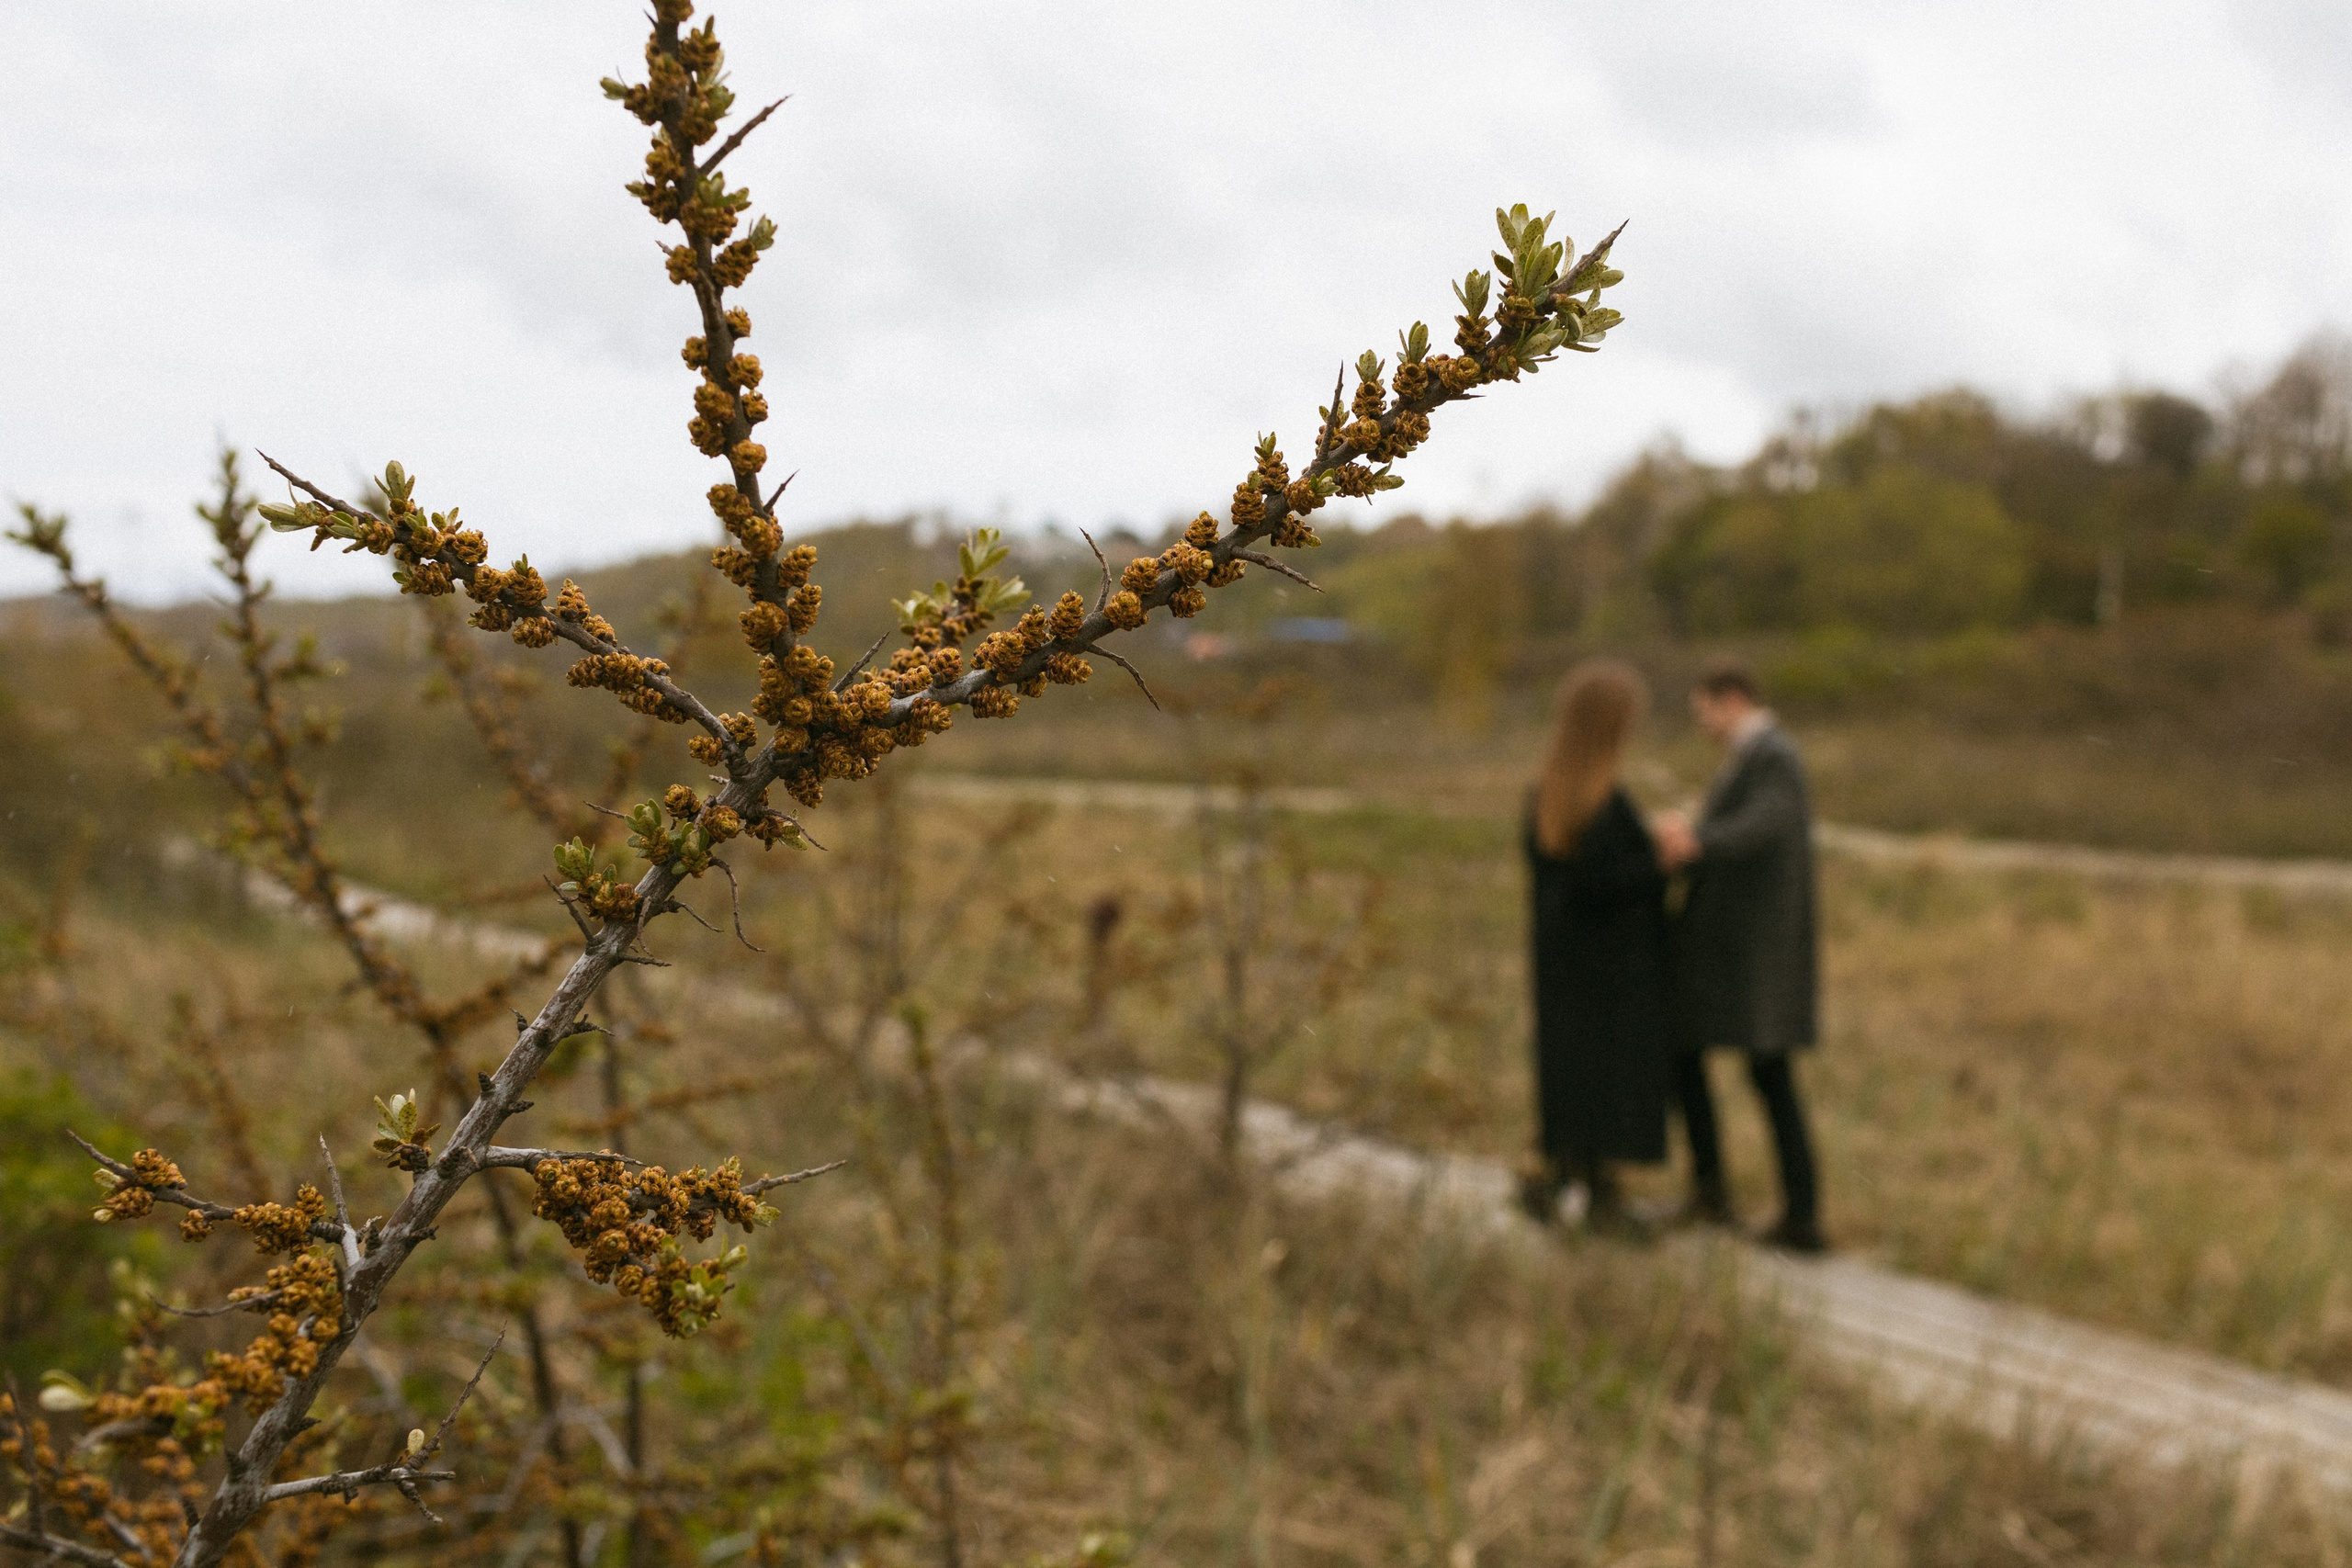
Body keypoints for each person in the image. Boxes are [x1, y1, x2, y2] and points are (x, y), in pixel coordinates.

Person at [1653, 660, 1826, 1253]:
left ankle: (1790, 1213)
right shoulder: (1761, 757)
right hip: (1739, 954)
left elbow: (1766, 825)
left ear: (1730, 700)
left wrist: (1697, 841)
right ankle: (1724, 1195)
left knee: (1764, 1071)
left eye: (1704, 712)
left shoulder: (1773, 755)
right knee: (1718, 1061)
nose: (1703, 726)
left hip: (1752, 955)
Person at [1522, 660, 1671, 1230]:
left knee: (1571, 1070)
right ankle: (1599, 1198)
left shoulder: (1553, 791)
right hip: (1611, 966)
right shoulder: (1602, 800)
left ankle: (1566, 1179)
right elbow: (1602, 882)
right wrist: (1661, 862)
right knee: (1609, 1075)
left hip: (1563, 962)